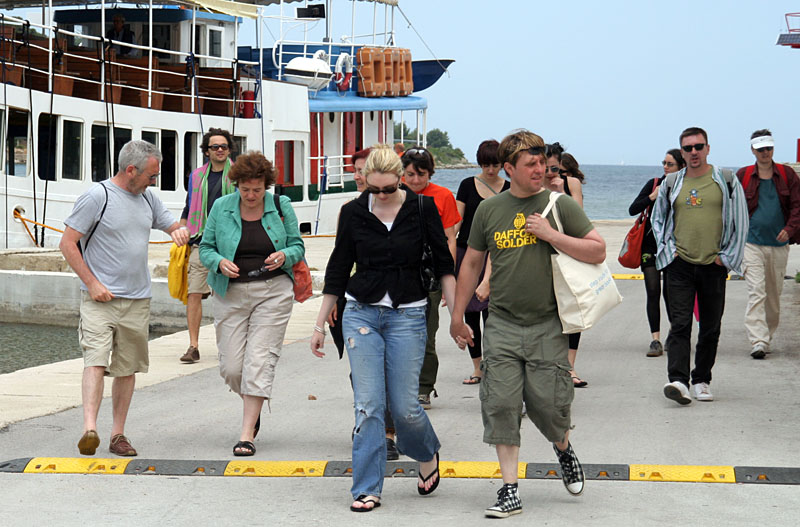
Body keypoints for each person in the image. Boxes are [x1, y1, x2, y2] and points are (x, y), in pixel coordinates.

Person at [450, 130, 604, 518]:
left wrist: (551, 235)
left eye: (542, 163)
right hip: (500, 322)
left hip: (547, 325)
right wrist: (457, 315)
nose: (540, 170)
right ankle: (509, 488)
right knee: (500, 402)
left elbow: (598, 249)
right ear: (508, 169)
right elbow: (471, 262)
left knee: (549, 404)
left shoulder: (558, 204)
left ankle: (563, 448)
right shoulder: (490, 210)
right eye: (530, 164)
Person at [311, 144, 455, 512]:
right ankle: (367, 488)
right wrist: (319, 322)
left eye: (388, 189)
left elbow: (444, 265)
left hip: (408, 314)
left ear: (402, 179)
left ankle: (426, 452)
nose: (380, 196)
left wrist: (457, 318)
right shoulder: (354, 212)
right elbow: (338, 268)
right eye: (373, 189)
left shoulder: (422, 210)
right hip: (361, 314)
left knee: (406, 407)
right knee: (369, 405)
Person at [59, 140, 189, 457]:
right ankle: (90, 428)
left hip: (137, 299)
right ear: (131, 170)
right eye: (151, 175)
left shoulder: (148, 199)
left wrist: (178, 231)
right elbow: (67, 243)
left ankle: (118, 435)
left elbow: (173, 224)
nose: (153, 181)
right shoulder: (97, 196)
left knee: (127, 368)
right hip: (99, 298)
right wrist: (91, 283)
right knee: (96, 360)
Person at [199, 151, 305, 456]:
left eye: (257, 190)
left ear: (266, 186)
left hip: (273, 291)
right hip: (230, 292)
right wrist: (218, 262)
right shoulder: (221, 207)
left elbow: (297, 245)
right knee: (232, 369)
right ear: (237, 185)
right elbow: (205, 248)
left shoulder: (280, 205)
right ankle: (253, 404)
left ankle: (246, 434)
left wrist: (285, 255)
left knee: (258, 361)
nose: (250, 195)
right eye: (245, 189)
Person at [652, 127, 748, 405]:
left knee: (710, 327)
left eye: (698, 146)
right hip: (679, 264)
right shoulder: (672, 182)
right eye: (688, 148)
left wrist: (727, 257)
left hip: (713, 265)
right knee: (679, 324)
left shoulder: (727, 179)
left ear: (707, 148)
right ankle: (678, 381)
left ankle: (702, 379)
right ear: (682, 152)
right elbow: (658, 221)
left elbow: (741, 222)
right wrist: (668, 252)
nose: (693, 152)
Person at [402, 145, 461, 408]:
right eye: (410, 174)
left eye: (421, 174)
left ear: (430, 173)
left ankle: (424, 387)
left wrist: (447, 276)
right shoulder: (393, 194)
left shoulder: (442, 196)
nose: (415, 180)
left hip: (431, 277)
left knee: (427, 332)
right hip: (399, 273)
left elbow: (450, 238)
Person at [736, 129, 800, 359]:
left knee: (773, 295)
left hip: (779, 245)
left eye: (768, 148)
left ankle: (767, 336)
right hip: (750, 244)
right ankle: (758, 341)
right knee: (756, 292)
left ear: (773, 148)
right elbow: (734, 209)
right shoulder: (743, 175)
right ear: (753, 149)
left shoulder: (787, 175)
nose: (765, 152)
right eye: (761, 149)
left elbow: (797, 206)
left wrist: (789, 229)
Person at [178, 128, 236, 364]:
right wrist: (181, 230)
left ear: (229, 149)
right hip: (200, 242)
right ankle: (193, 346)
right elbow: (188, 206)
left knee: (224, 296)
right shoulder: (197, 176)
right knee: (194, 293)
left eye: (224, 146)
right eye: (215, 147)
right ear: (207, 151)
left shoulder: (239, 174)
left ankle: (228, 344)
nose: (220, 150)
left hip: (230, 244)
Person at [454, 139, 509, 384]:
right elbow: (456, 221)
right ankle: (477, 367)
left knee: (493, 314)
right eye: (486, 165)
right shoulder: (468, 185)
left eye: (495, 164)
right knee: (470, 313)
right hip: (468, 251)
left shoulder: (509, 188)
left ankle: (495, 364)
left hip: (498, 254)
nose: (490, 170)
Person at [628, 148, 685, 357]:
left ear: (681, 167)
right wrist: (652, 197)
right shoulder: (654, 183)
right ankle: (655, 340)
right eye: (664, 163)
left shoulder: (685, 187)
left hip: (673, 248)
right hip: (649, 246)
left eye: (670, 164)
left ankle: (673, 334)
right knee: (653, 291)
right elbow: (633, 209)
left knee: (671, 294)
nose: (665, 167)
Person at [545, 144, 587, 387]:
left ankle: (569, 368)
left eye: (555, 168)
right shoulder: (536, 186)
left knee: (571, 314)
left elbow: (578, 221)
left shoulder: (571, 184)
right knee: (549, 316)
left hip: (568, 256)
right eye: (546, 168)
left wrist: (560, 194)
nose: (550, 173)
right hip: (542, 258)